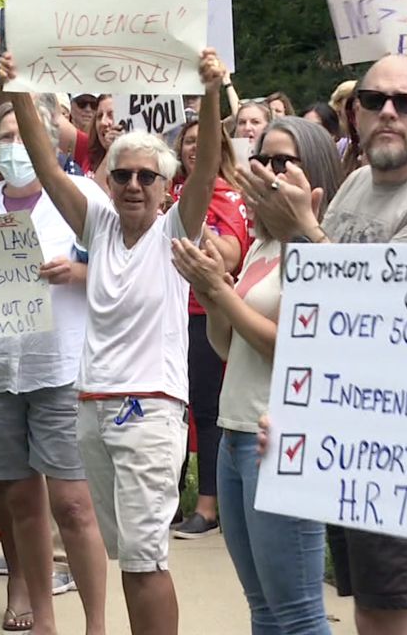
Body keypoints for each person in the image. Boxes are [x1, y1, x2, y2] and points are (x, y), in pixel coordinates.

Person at [239, 54, 407, 635]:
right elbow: (317, 310)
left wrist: (305, 228)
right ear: (355, 113)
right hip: (351, 433)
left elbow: (392, 318)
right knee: (384, 607)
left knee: (394, 608)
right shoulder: (353, 185)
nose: (388, 113)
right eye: (372, 101)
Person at [0, 46, 225, 635]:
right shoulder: (97, 226)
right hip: (92, 408)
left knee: (147, 560)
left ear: (164, 185)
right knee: (127, 552)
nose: (131, 184)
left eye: (146, 176)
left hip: (149, 410)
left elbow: (204, 172)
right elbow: (48, 168)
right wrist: (18, 89)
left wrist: (210, 92)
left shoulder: (178, 230)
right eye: (121, 174)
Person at [172, 117, 342, 634]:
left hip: (282, 439)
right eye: (262, 158)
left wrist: (221, 295)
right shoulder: (265, 246)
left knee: (297, 611)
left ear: (313, 172)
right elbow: (227, 345)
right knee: (263, 607)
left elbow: (294, 346)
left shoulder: (320, 248)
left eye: (282, 160)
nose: (267, 170)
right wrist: (212, 286)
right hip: (235, 433)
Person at [0, 98, 109, 634]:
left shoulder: (83, 199)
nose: (15, 146)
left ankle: (95, 624)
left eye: (25, 135)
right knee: (19, 501)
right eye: (5, 137)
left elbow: (127, 274)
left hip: (60, 368)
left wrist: (77, 272)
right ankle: (43, 619)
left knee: (72, 505)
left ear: (49, 142)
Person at [168, 119, 251, 539]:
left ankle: (208, 505)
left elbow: (232, 254)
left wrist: (195, 228)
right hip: (169, 312)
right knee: (173, 407)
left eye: (204, 143)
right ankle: (170, 497)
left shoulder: (226, 195)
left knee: (205, 408)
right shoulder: (170, 191)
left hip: (204, 312)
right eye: (188, 142)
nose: (194, 149)